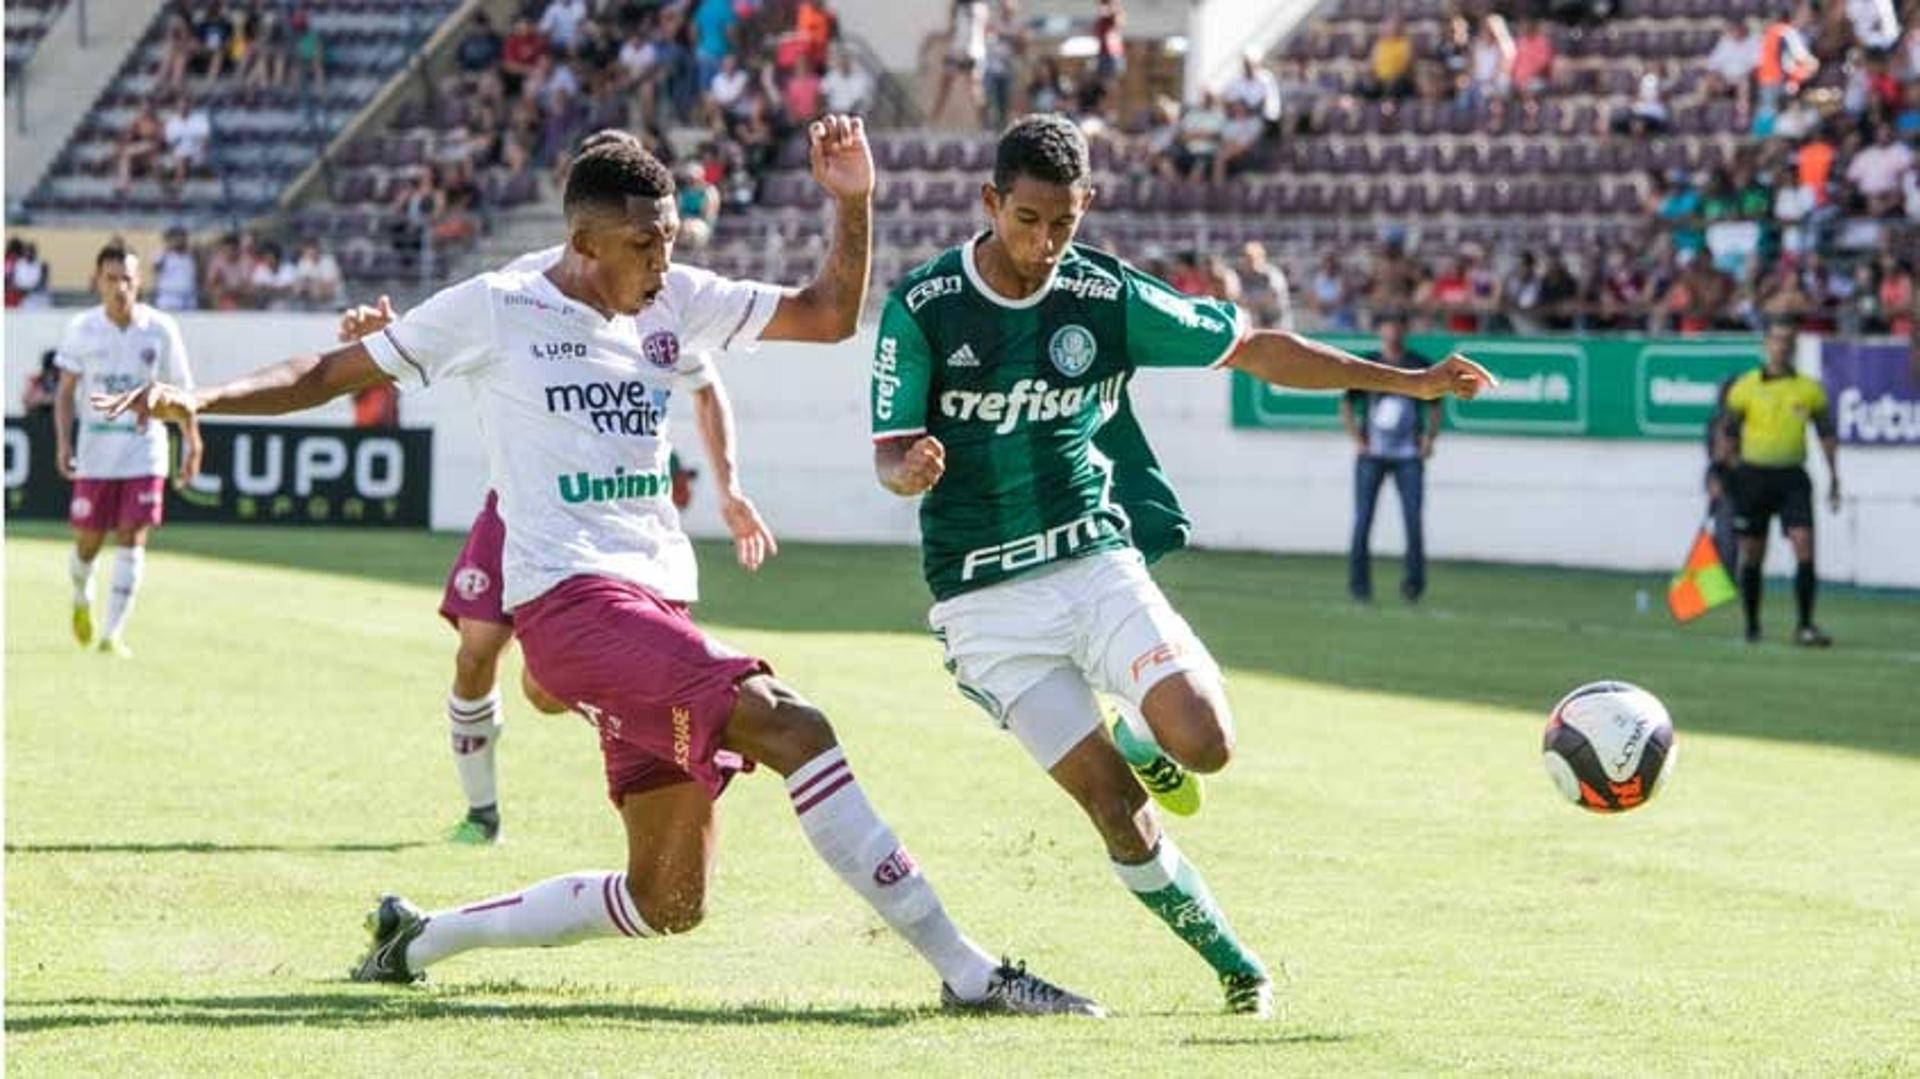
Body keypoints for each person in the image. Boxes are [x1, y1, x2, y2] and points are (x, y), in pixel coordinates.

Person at [98, 118, 1098, 1016]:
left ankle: (419, 935)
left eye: (670, 238)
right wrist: (204, 394)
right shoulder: (494, 308)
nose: (663, 260)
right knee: (796, 724)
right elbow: (326, 373)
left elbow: (830, 312)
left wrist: (854, 202)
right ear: (581, 243)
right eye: (642, 243)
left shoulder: (675, 301)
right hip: (573, 604)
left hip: (652, 602)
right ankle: (970, 972)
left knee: (668, 901)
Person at [869, 115, 1494, 1018]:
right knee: (1116, 808)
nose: (1045, 244)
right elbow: (890, 450)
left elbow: (1255, 348)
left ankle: (1143, 732)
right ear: (990, 203)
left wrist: (1408, 381)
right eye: (1028, 220)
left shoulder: (1103, 293)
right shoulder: (925, 307)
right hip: (983, 602)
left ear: (1086, 210)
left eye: (1064, 223)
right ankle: (1237, 965)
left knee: (1207, 741)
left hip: (1090, 562)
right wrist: (908, 468)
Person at [55, 243, 201, 656]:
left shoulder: (161, 328)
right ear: (97, 282)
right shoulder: (81, 328)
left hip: (145, 450)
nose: (120, 287)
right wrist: (64, 442)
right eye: (111, 279)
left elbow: (185, 391)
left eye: (127, 279)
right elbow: (66, 393)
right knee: (88, 541)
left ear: (140, 283)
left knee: (132, 537)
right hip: (96, 453)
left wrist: (193, 441)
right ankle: (81, 597)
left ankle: (112, 634)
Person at [1720, 321, 1840, 646]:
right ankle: (1752, 625)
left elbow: (1826, 434)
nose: (1782, 346)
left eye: (1788, 341)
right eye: (1776, 340)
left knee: (1804, 545)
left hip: (1792, 478)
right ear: (1766, 345)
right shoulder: (1744, 387)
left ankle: (1805, 624)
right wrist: (1725, 477)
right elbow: (1728, 435)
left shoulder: (1809, 389)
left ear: (1794, 347)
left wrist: (1834, 478)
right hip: (1753, 477)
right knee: (1753, 552)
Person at [1336, 312, 1439, 604]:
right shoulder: (1367, 364)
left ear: (1405, 331)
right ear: (1380, 331)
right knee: (1363, 520)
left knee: (1413, 519)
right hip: (1373, 454)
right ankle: (1359, 586)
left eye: (1397, 327)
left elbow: (1435, 405)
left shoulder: (1418, 364)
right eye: (1387, 327)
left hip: (1408, 454)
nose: (1392, 332)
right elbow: (1346, 404)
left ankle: (1414, 585)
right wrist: (1358, 439)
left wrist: (1429, 439)